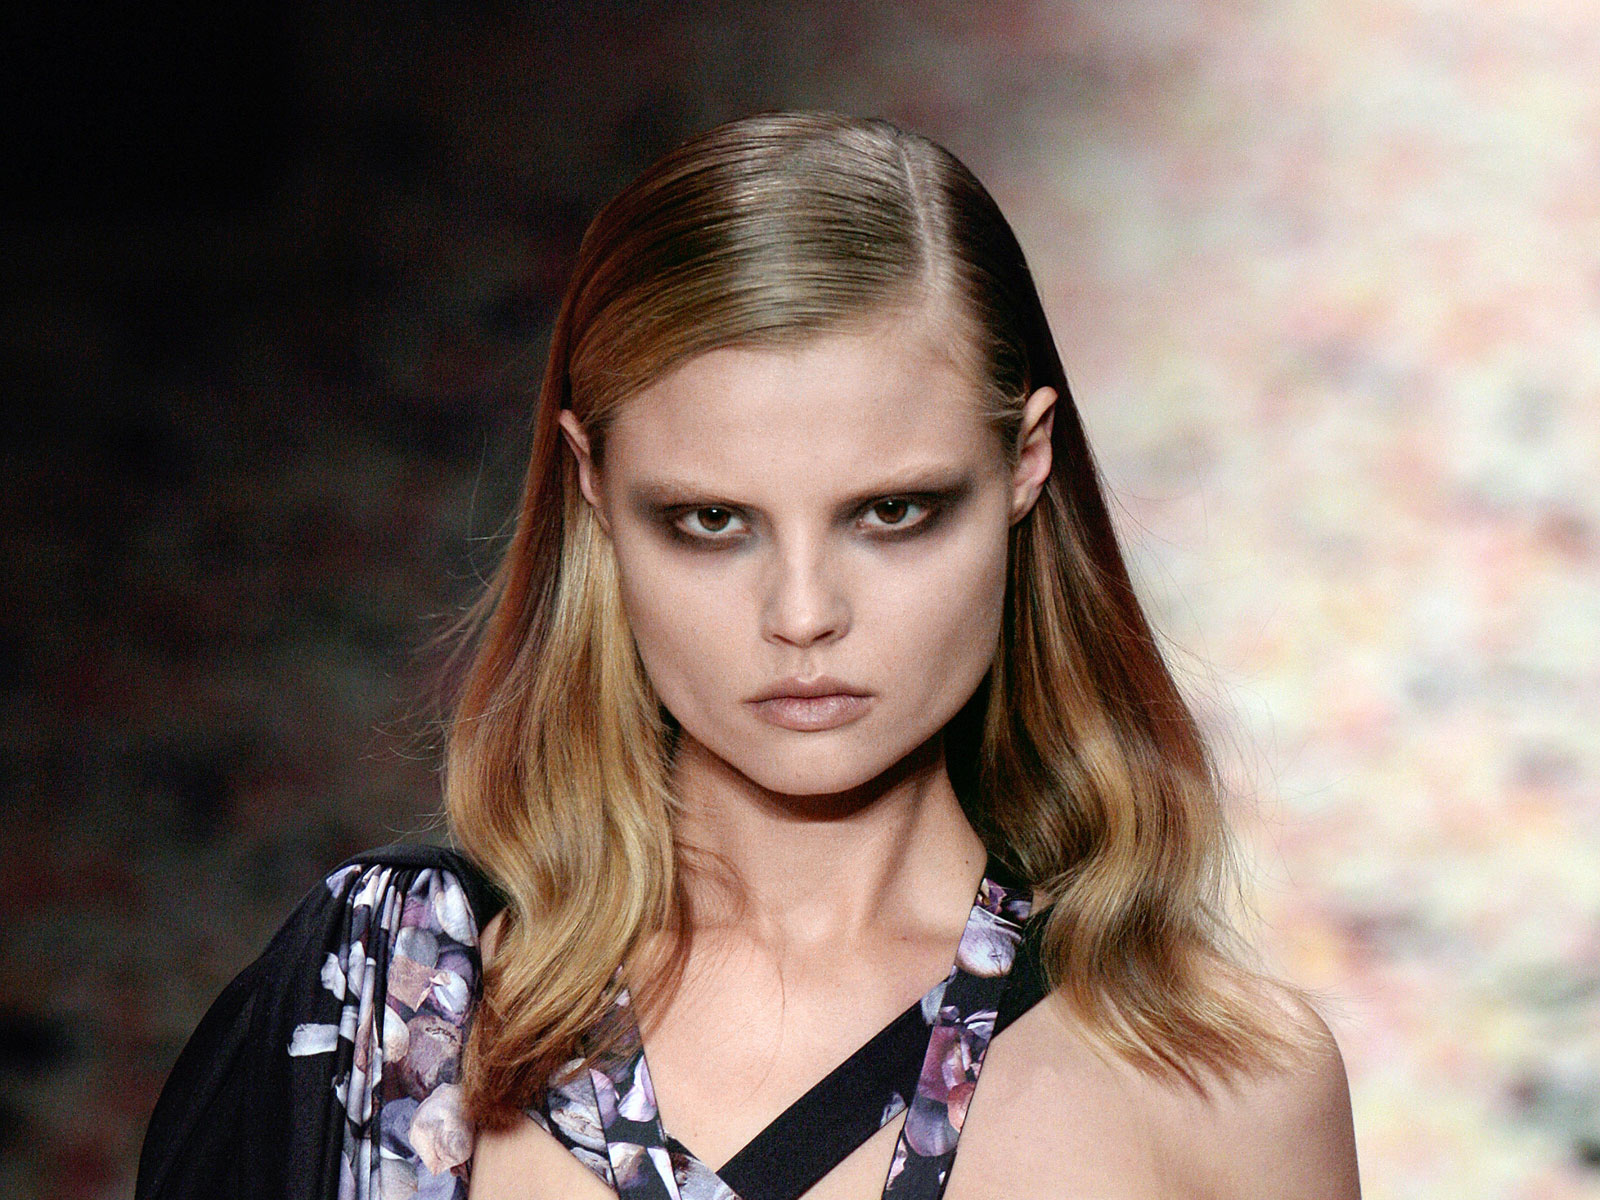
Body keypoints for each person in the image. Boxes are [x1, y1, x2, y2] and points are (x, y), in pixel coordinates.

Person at [135, 111, 1361, 1200]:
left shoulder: (1227, 1095)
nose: (803, 613)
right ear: (594, 487)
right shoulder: (385, 1007)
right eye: (712, 521)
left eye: (891, 512)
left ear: (1025, 463)